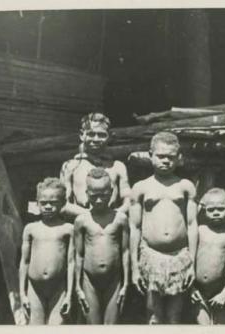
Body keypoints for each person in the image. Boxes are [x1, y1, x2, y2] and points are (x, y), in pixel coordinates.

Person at [130, 131, 198, 324]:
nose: (166, 161)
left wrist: (191, 262)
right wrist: (135, 268)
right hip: (151, 256)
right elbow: (134, 228)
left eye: (171, 157)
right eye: (161, 156)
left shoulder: (185, 186)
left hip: (179, 257)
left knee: (175, 315)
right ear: (150, 155)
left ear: (179, 158)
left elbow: (192, 225)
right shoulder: (141, 187)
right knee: (153, 314)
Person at [74, 168, 130, 324]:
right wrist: (78, 287)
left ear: (111, 192)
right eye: (94, 196)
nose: (98, 200)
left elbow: (125, 252)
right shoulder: (82, 220)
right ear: (87, 193)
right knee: (93, 325)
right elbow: (78, 255)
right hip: (89, 281)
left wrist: (126, 284)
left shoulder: (120, 219)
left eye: (103, 195)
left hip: (114, 280)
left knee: (111, 326)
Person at [19, 178, 74, 324]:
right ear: (37, 203)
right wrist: (22, 293)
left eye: (53, 202)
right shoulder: (31, 228)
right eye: (43, 203)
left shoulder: (68, 229)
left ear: (62, 203)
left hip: (59, 288)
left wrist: (69, 295)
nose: (48, 206)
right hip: (34, 288)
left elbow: (71, 262)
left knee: (56, 326)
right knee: (35, 326)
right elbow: (24, 262)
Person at [60, 113, 130, 214]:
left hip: (111, 224)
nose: (96, 139)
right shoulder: (71, 166)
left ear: (109, 136)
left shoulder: (118, 167)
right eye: (91, 134)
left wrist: (112, 217)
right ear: (81, 135)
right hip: (81, 224)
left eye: (101, 135)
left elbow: (129, 201)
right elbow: (63, 204)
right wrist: (90, 217)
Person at [191, 188, 225, 325]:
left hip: (221, 293)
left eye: (220, 209)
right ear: (203, 210)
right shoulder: (199, 231)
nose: (215, 213)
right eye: (211, 210)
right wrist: (191, 288)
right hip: (198, 292)